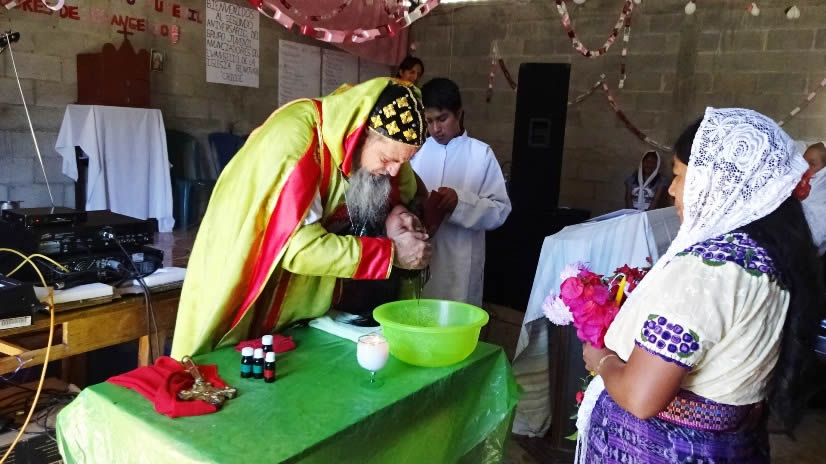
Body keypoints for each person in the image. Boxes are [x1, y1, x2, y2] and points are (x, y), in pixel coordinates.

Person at [579, 108, 826, 462]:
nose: (672, 190)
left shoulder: (708, 269)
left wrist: (601, 359)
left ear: (716, 181)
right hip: (732, 445)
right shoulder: (774, 253)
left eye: (680, 175)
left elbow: (640, 396)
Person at [171, 79, 432, 358]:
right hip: (247, 257)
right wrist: (390, 254)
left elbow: (406, 191)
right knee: (224, 360)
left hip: (299, 294)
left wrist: (399, 212)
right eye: (388, 159)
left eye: (404, 162)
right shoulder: (298, 141)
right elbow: (297, 248)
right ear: (361, 134)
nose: (394, 171)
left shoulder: (384, 148)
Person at [409, 78, 511, 307]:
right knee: (420, 314)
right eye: (429, 121)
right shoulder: (417, 153)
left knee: (457, 316)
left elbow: (500, 210)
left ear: (459, 113)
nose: (435, 129)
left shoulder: (481, 154)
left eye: (442, 119)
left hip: (461, 260)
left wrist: (460, 202)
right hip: (422, 256)